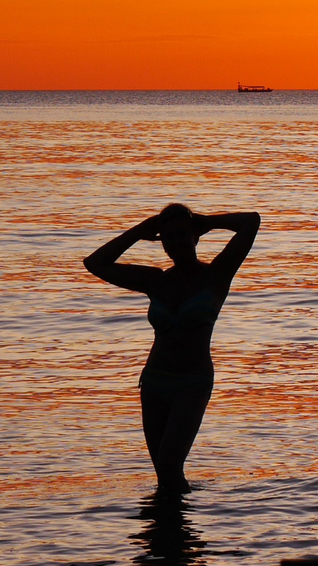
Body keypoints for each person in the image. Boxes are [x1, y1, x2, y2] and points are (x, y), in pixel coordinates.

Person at [83, 204, 260, 497]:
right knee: (163, 474)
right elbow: (95, 263)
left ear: (194, 237)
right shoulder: (156, 280)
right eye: (169, 237)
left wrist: (206, 221)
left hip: (193, 382)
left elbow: (251, 222)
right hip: (154, 382)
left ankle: (185, 533)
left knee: (169, 465)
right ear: (162, 243)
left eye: (182, 234)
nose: (176, 241)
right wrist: (140, 231)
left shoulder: (217, 274)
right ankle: (166, 535)